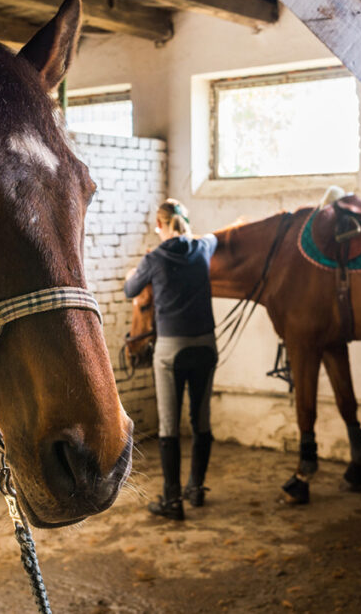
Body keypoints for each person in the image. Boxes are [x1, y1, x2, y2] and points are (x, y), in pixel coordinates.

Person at [124, 198, 218, 521]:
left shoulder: (154, 258)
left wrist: (133, 273)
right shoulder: (203, 247)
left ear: (160, 226)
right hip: (206, 346)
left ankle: (172, 499)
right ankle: (196, 488)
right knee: (201, 420)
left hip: (171, 352)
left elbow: (129, 289)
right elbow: (215, 238)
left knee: (169, 426)